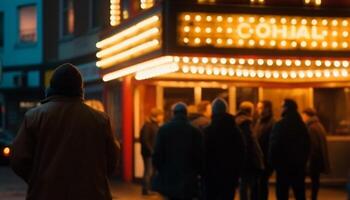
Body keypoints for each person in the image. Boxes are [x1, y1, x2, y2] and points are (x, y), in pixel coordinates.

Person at [11, 63, 120, 200]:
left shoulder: (34, 117)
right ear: (80, 89)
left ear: (52, 87)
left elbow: (18, 159)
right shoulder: (100, 120)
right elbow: (112, 159)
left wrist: (39, 179)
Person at [152, 102, 203, 200]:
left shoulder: (164, 130)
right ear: (186, 114)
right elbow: (200, 157)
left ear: (173, 113)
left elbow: (157, 155)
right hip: (188, 181)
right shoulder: (195, 131)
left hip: (168, 179)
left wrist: (161, 170)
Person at [203, 98, 245, 200]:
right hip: (230, 175)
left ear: (213, 111)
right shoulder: (235, 131)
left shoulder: (207, 131)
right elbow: (241, 152)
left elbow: (203, 153)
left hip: (211, 176)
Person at [269, 99, 310, 200]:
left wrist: (273, 163)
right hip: (298, 166)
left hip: (283, 166)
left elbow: (274, 145)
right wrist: (303, 161)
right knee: (299, 193)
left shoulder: (280, 125)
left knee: (282, 193)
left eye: (282, 106)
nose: (280, 108)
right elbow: (307, 145)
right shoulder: (302, 125)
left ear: (286, 108)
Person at [236, 101, 264, 200]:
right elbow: (250, 144)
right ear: (250, 111)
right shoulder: (246, 123)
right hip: (249, 161)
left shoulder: (237, 121)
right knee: (251, 186)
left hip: (242, 160)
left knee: (243, 185)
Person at [301, 108, 330, 200]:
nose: (302, 117)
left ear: (307, 115)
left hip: (313, 160)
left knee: (305, 179)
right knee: (315, 180)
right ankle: (313, 197)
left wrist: (308, 161)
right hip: (318, 159)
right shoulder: (318, 125)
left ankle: (311, 197)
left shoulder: (311, 127)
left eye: (303, 115)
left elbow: (313, 146)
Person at [254, 100, 275, 200]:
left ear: (267, 109)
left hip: (265, 160)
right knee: (259, 185)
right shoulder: (259, 121)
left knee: (262, 185)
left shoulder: (272, 123)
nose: (258, 110)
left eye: (261, 108)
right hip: (259, 159)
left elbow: (271, 143)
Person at [140, 108, 164, 195]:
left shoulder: (155, 125)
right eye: (161, 115)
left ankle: (150, 189)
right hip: (148, 154)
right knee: (149, 171)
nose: (162, 117)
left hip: (152, 152)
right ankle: (146, 190)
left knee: (152, 171)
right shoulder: (148, 125)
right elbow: (145, 140)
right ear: (156, 116)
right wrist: (151, 151)